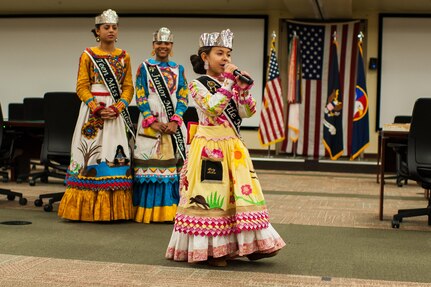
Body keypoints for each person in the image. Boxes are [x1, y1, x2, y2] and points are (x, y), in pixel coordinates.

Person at [165, 29, 285, 266]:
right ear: (205, 57)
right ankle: (211, 250)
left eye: (228, 54)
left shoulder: (230, 84)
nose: (226, 59)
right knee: (214, 197)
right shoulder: (196, 84)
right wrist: (230, 83)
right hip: (209, 147)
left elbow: (247, 112)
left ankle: (247, 245)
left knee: (239, 195)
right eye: (219, 53)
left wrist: (243, 91)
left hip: (234, 147)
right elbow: (212, 108)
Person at [58, 9, 135, 221]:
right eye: (106, 27)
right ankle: (84, 210)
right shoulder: (88, 55)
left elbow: (128, 87)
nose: (111, 31)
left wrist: (118, 107)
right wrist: (96, 107)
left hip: (115, 112)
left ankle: (114, 211)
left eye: (114, 27)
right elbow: (82, 86)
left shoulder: (124, 56)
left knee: (115, 153)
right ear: (97, 32)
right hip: (93, 112)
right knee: (90, 154)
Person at [133, 27, 188, 223]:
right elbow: (140, 95)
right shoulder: (144, 67)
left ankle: (172, 211)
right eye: (159, 43)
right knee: (151, 166)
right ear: (153, 45)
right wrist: (152, 121)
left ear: (171, 46)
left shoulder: (178, 69)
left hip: (172, 121)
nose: (162, 46)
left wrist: (175, 120)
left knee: (172, 167)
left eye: (166, 43)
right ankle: (149, 211)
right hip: (151, 121)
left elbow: (183, 96)